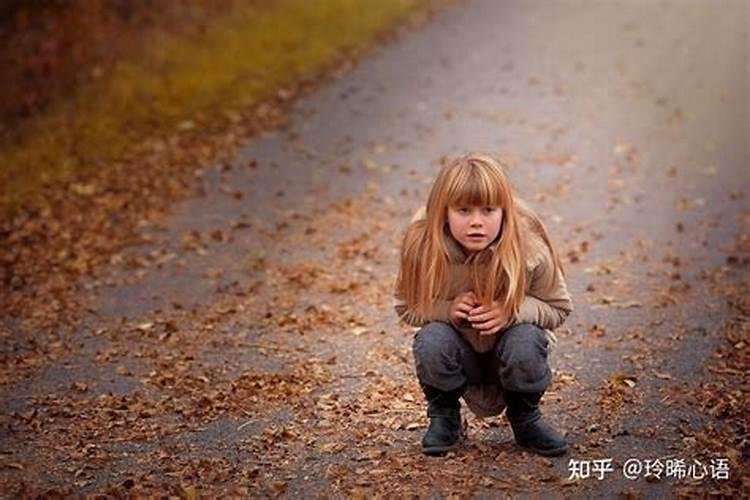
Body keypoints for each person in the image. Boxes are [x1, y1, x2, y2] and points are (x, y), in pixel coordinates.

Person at [394, 153, 573, 457]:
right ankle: (445, 416)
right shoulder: (424, 248)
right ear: (443, 212)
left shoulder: (528, 247)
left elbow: (559, 307)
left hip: (511, 352)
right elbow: (406, 306)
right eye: (463, 210)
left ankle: (525, 417)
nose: (476, 221)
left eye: (488, 210)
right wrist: (447, 310)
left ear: (504, 211)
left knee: (527, 338)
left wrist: (511, 311)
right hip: (460, 355)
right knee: (431, 339)